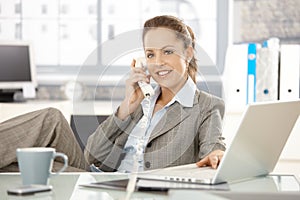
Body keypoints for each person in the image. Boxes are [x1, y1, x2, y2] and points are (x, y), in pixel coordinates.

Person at [0, 15, 225, 173]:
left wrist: (217, 155)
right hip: (97, 179)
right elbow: (92, 157)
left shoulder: (206, 105)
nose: (158, 63)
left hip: (131, 188)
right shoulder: (142, 100)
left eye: (168, 51)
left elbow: (212, 148)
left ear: (188, 53)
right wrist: (126, 108)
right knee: (48, 124)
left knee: (23, 166)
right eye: (150, 54)